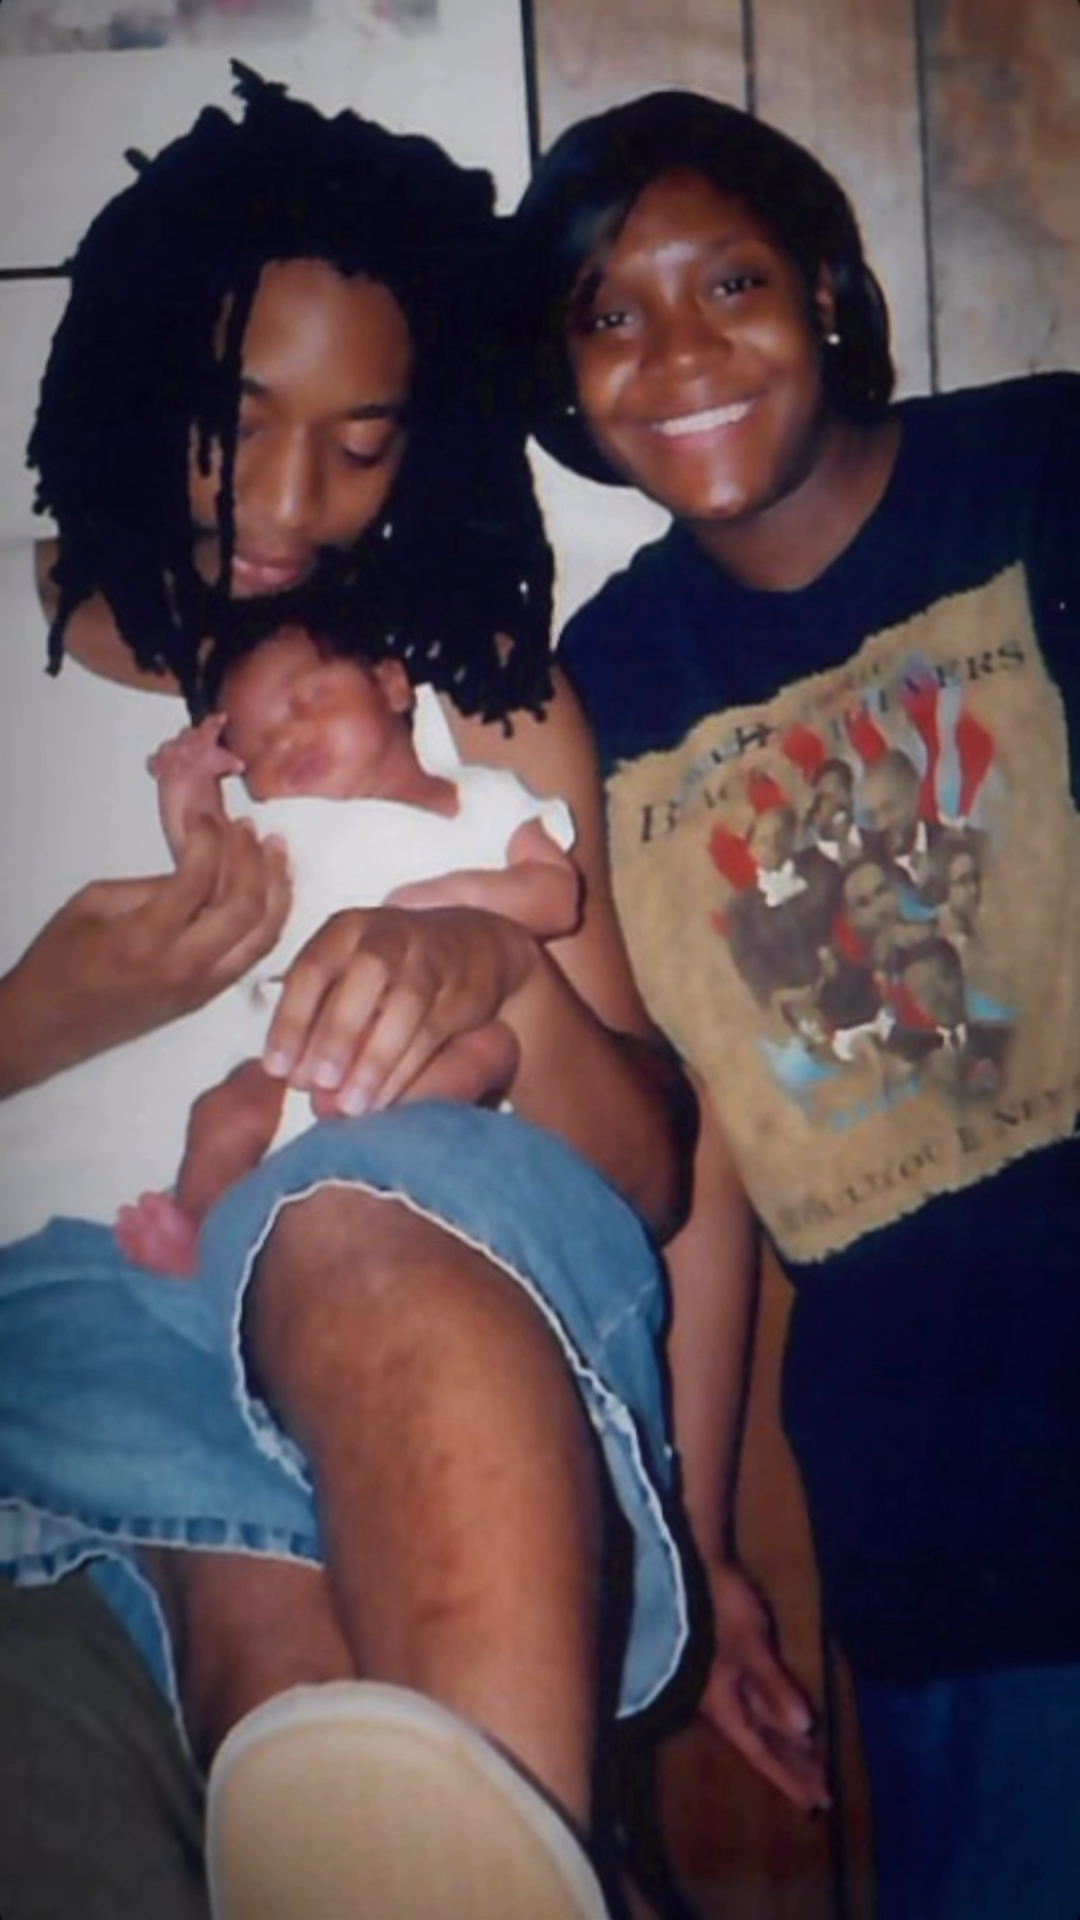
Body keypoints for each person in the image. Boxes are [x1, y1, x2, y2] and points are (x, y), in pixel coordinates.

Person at [0, 70, 699, 1920]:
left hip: (416, 1277)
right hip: (73, 1326)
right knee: (278, 1681)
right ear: (141, 374)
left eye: (364, 441)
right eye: (236, 424)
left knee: (345, 1213)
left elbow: (645, 1169)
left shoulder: (474, 696)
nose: (290, 504)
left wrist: (498, 966)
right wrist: (35, 1023)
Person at [514, 88, 1080, 1919]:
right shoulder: (610, 690)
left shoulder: (1046, 475)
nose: (678, 352)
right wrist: (688, 1534)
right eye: (612, 312)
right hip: (947, 1509)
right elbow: (701, 1156)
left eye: (730, 279)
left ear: (829, 290)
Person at [115, 616, 581, 1274]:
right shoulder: (283, 833)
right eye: (261, 746)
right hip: (296, 1066)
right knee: (222, 1110)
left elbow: (557, 898)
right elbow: (211, 886)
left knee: (496, 1048)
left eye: (307, 702)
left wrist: (455, 897)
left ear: (391, 685)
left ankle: (372, 1126)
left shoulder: (481, 799)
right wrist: (187, 793)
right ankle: (202, 1236)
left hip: (441, 1041)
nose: (290, 739)